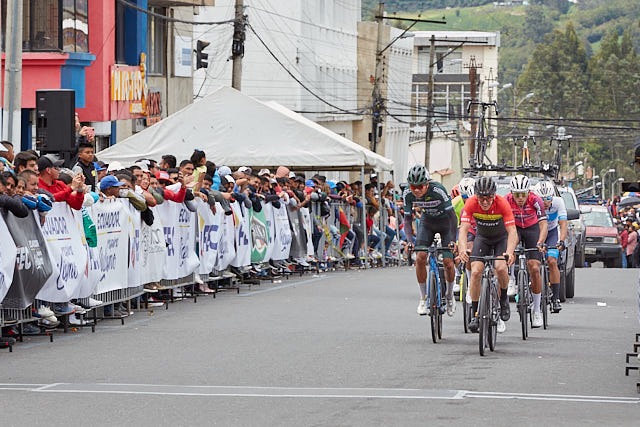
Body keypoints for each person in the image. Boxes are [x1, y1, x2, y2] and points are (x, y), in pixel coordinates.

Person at [459, 176, 518, 334]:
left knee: (500, 268)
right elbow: (463, 229)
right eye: (481, 198)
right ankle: (475, 314)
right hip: (483, 238)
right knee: (475, 272)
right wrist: (462, 249)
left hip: (500, 239)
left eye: (489, 198)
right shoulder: (471, 203)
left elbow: (512, 231)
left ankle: (503, 298)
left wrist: (510, 252)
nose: (485, 202)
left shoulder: (502, 203)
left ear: (494, 195)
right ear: (476, 196)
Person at [403, 164, 458, 317]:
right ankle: (423, 298)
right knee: (420, 257)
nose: (416, 190)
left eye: (420, 186)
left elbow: (453, 217)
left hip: (445, 223)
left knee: (448, 262)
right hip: (427, 223)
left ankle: (449, 296)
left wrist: (453, 240)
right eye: (413, 187)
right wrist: (409, 241)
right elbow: (407, 220)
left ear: (427, 184)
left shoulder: (438, 190)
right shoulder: (407, 193)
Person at [505, 175, 548, 328]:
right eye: (517, 195)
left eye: (523, 194)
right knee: (510, 249)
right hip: (515, 228)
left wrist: (540, 242)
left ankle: (536, 310)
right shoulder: (506, 200)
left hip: (532, 229)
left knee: (534, 268)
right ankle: (511, 278)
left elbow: (543, 225)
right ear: (512, 193)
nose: (520, 198)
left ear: (528, 192)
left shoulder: (536, 200)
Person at [532, 180, 568, 313]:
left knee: (552, 261)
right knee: (533, 264)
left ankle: (555, 298)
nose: (545, 202)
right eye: (541, 199)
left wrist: (562, 241)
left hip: (552, 233)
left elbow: (563, 224)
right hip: (536, 233)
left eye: (548, 198)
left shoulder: (559, 202)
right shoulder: (532, 203)